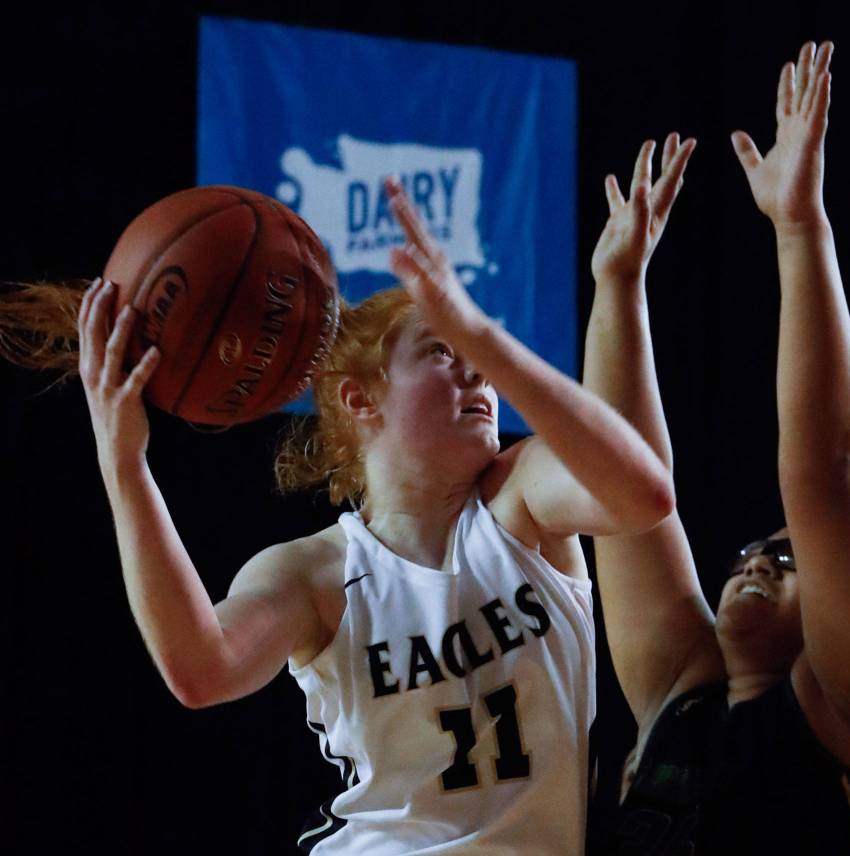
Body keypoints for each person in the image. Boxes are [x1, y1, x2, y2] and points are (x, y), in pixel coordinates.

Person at [1, 176, 680, 854]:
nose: (479, 374)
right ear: (361, 400)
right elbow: (202, 671)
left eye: (480, 357)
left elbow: (645, 494)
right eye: (442, 351)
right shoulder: (313, 573)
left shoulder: (522, 496)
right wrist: (125, 465)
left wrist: (529, 315)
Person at [583, 43, 850, 855]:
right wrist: (618, 287)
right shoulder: (684, 701)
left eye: (788, 559)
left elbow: (826, 475)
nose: (758, 562)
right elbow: (627, 494)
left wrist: (800, 227)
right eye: (752, 554)